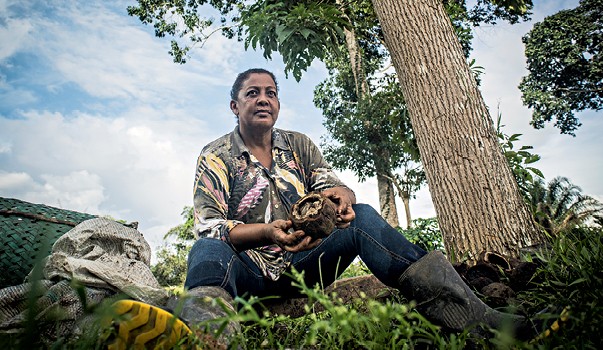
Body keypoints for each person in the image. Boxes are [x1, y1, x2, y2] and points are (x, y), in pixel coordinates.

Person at [182, 67, 536, 341]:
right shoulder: (217, 156)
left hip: (302, 266)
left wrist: (344, 198)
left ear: (278, 104)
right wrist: (268, 233)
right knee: (206, 247)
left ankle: (473, 318)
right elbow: (210, 224)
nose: (263, 99)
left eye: (271, 93)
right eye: (252, 93)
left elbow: (331, 184)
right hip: (245, 274)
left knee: (363, 215)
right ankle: (205, 337)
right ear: (235, 105)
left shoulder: (299, 145)